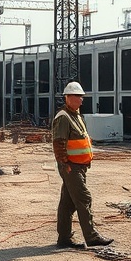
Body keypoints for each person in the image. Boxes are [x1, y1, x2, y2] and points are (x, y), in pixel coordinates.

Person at [51, 81, 114, 249]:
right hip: (71, 167)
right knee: (84, 198)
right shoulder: (63, 117)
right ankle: (92, 237)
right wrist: (65, 165)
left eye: (81, 97)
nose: (81, 100)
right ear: (68, 97)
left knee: (68, 203)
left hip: (79, 166)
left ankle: (64, 239)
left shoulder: (77, 116)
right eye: (77, 96)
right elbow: (58, 143)